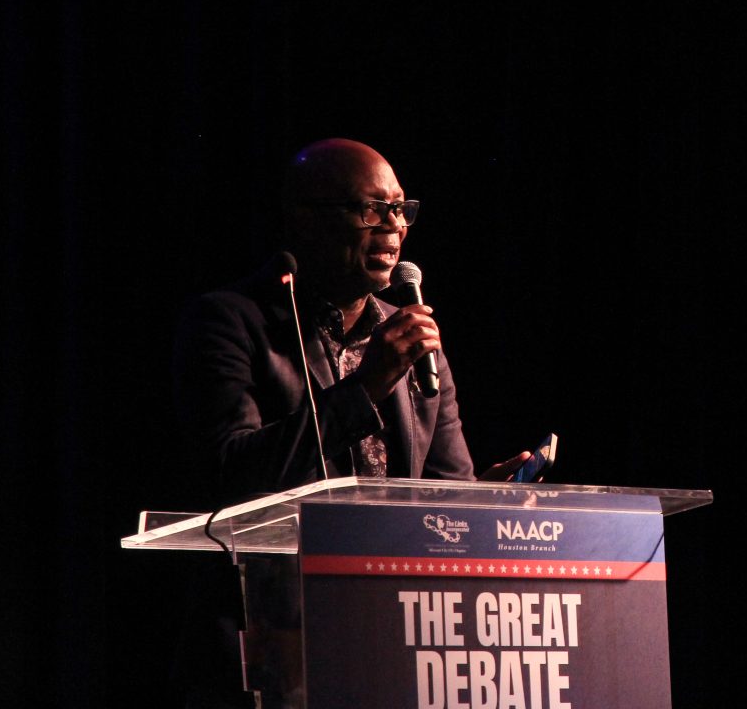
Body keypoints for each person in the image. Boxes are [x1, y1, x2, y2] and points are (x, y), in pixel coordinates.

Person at [169, 137, 529, 707]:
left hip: (392, 635)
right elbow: (232, 472)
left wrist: (489, 502)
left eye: (401, 209)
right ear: (304, 220)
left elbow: (445, 491)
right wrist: (367, 387)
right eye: (371, 209)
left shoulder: (412, 340)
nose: (395, 226)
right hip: (274, 643)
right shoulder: (230, 322)